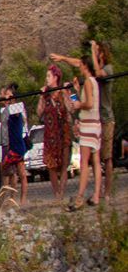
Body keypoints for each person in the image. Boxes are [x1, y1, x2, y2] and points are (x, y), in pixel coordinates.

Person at [53, 46, 103, 210]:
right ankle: (96, 195)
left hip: (88, 126)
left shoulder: (89, 81)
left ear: (85, 66)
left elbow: (88, 103)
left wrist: (78, 104)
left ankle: (79, 198)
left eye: (81, 65)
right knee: (95, 161)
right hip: (96, 124)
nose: (79, 67)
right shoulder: (94, 82)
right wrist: (77, 91)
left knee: (84, 162)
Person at [38, 64, 74, 200]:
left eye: (48, 76)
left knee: (64, 165)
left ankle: (62, 193)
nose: (46, 79)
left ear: (55, 77)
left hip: (62, 133)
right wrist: (41, 97)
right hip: (50, 135)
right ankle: (57, 194)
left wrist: (66, 93)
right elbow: (39, 112)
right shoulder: (46, 95)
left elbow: (71, 108)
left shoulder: (63, 91)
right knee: (51, 166)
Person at [94, 42, 116, 198]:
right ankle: (99, 190)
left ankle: (107, 192)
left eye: (97, 52)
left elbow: (99, 72)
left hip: (107, 118)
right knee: (96, 156)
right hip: (97, 119)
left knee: (107, 157)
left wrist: (94, 52)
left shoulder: (108, 69)